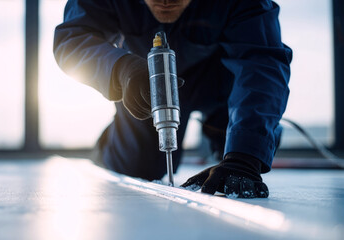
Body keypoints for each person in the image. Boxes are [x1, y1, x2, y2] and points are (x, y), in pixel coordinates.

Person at [53, 0, 292, 198]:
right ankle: (110, 148)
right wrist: (119, 69)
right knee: (136, 165)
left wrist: (245, 155)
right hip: (144, 82)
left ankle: (228, 138)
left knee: (244, 146)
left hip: (221, 83)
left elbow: (262, 61)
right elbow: (72, 38)